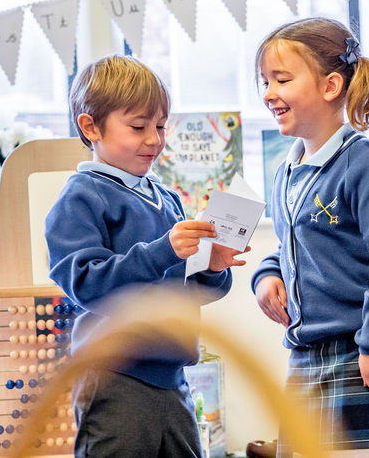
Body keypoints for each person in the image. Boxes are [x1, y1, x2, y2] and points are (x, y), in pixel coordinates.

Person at [45, 54, 250, 458]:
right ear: (90, 127)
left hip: (172, 376)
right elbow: (88, 284)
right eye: (138, 127)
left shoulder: (165, 197)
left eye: (160, 126)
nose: (154, 140)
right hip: (114, 376)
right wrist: (163, 251)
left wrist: (211, 267)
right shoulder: (82, 197)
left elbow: (185, 288)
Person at [251, 17, 369, 455]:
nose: (268, 93)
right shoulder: (287, 171)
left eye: (281, 79)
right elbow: (293, 244)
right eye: (265, 81)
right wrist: (267, 275)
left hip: (357, 356)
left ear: (330, 86)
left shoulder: (368, 165)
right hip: (304, 360)